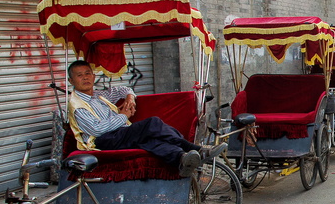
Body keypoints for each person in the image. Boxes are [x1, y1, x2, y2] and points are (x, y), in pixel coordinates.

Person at [67, 60, 224, 177]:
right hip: (102, 141)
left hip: (119, 134)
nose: (85, 78)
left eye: (88, 73)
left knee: (152, 141)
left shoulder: (99, 95)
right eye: (79, 75)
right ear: (71, 81)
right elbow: (97, 129)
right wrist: (123, 116)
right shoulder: (77, 105)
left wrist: (130, 97)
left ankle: (181, 158)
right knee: (152, 123)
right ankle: (194, 148)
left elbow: (123, 89)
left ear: (94, 76)